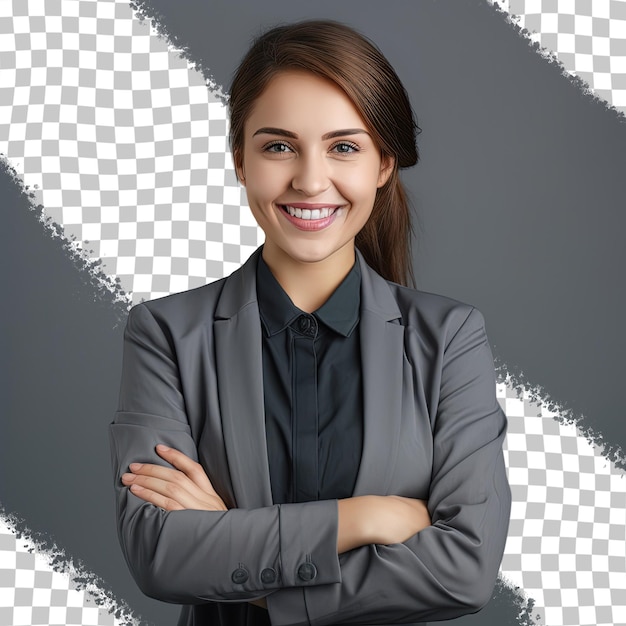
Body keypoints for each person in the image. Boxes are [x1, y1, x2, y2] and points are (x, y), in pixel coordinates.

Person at [109, 19, 511, 626]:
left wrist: (232, 549)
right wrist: (366, 518)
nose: (310, 180)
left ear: (383, 165)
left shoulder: (450, 339)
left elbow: (466, 568)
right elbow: (159, 556)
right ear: (240, 160)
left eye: (344, 146)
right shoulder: (166, 335)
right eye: (278, 146)